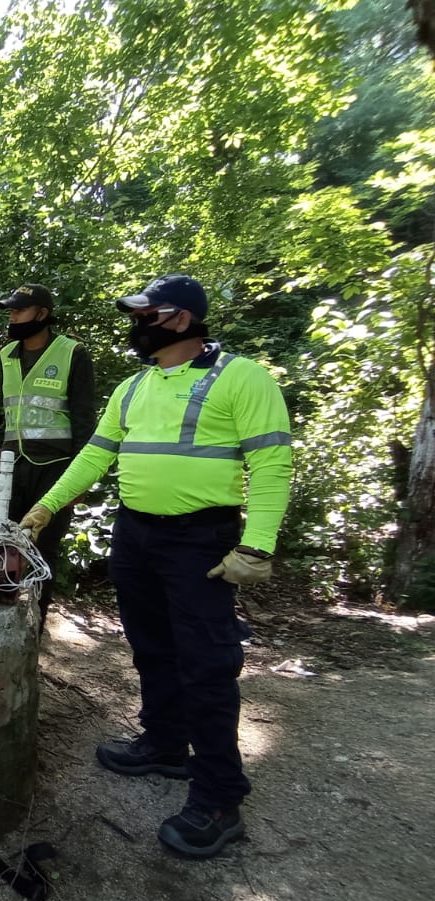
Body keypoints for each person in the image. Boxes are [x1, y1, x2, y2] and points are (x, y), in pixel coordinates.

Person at [20, 274, 292, 858]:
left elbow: (271, 464)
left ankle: (219, 797)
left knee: (206, 663)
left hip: (200, 539)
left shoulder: (243, 377)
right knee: (150, 647)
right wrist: (44, 507)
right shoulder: (135, 386)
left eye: (149, 314)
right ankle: (166, 743)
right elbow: (97, 453)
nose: (137, 325)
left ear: (183, 318)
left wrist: (258, 545)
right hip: (135, 533)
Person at [0, 284, 95, 623]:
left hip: (55, 468)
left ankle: (34, 631)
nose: (12, 316)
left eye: (19, 310)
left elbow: (83, 418)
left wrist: (79, 479)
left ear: (42, 314)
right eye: (11, 310)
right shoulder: (7, 354)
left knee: (42, 550)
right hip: (11, 465)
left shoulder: (72, 353)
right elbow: (8, 408)